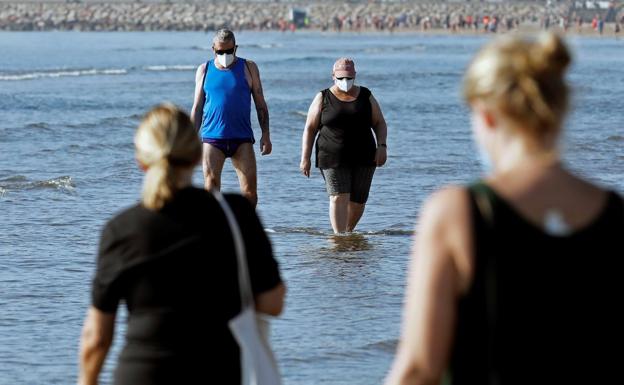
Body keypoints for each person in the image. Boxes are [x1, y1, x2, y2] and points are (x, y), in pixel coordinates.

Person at [385, 33, 623, 385]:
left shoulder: (457, 211)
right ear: (558, 109)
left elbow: (419, 368)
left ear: (487, 115)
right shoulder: (614, 212)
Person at [78, 104, 285, 385]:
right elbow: (272, 302)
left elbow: (96, 339)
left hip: (141, 373)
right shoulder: (235, 214)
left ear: (141, 161)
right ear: (197, 155)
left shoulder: (121, 229)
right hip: (219, 369)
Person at [299, 58, 388, 234]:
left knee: (358, 201)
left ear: (354, 76)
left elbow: (379, 123)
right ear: (333, 76)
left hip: (364, 155)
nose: (344, 81)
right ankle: (339, 239)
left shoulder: (366, 96)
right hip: (331, 155)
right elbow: (309, 128)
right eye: (340, 78)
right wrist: (305, 158)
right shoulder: (323, 97)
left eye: (348, 77)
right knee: (339, 196)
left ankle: (347, 234)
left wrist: (382, 146)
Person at [191, 29, 271, 207]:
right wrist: (188, 138)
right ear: (213, 49)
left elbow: (260, 104)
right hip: (213, 138)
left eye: (229, 51)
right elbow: (197, 107)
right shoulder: (204, 70)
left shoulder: (249, 67)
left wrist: (265, 134)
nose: (225, 55)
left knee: (250, 193)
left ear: (236, 48)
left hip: (242, 139)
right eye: (220, 52)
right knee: (211, 188)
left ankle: (246, 230)